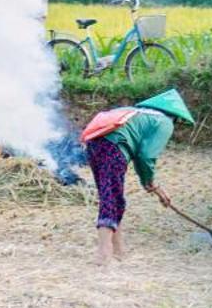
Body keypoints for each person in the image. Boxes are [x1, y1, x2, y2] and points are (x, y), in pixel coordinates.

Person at [80, 88, 195, 264]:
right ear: (176, 116)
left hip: (93, 145)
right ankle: (103, 253)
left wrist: (150, 184)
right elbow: (146, 155)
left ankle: (119, 251)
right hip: (113, 148)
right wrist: (150, 183)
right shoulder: (164, 122)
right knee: (112, 199)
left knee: (112, 197)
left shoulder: (137, 112)